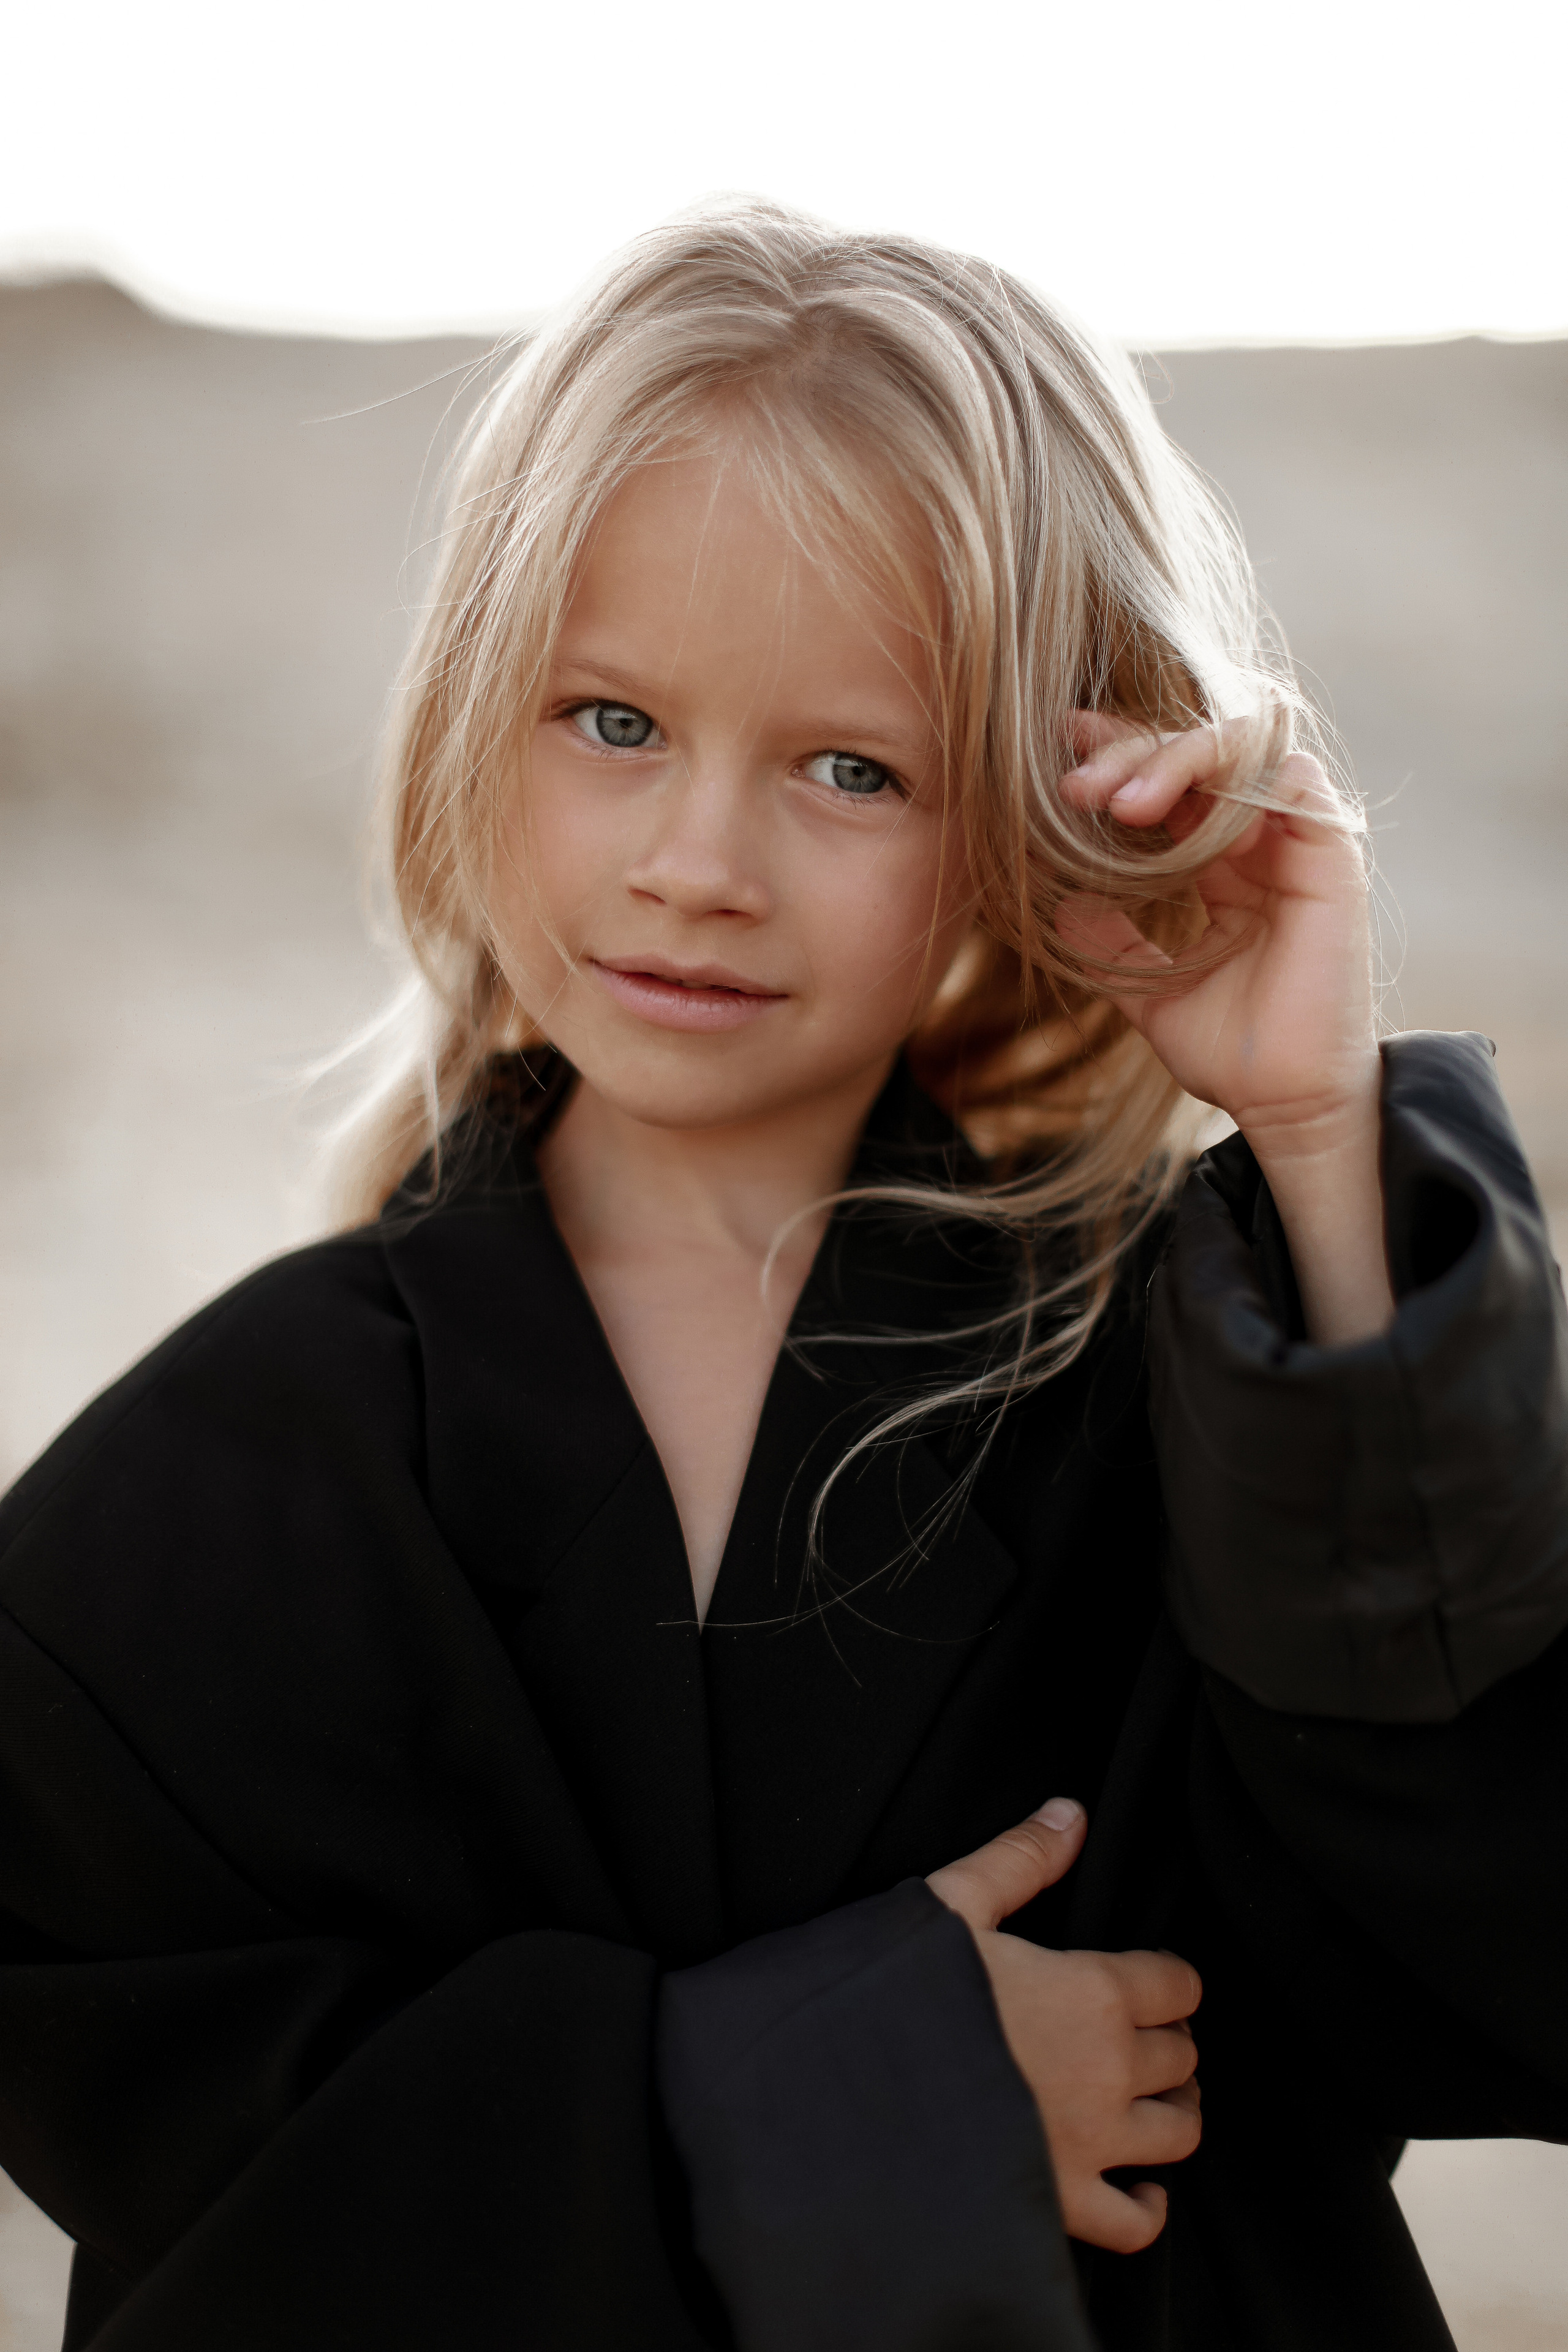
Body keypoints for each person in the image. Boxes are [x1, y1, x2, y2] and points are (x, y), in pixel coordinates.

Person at [2, 200, 1566, 2352]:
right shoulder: (218, 1495)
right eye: (613, 720)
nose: (699, 866)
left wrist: (1311, 1138)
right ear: (474, 716)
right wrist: (833, 2107)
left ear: (1042, 803)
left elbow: (1502, 1967)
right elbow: (208, 2204)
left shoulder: (1195, 1401)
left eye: (853, 767)